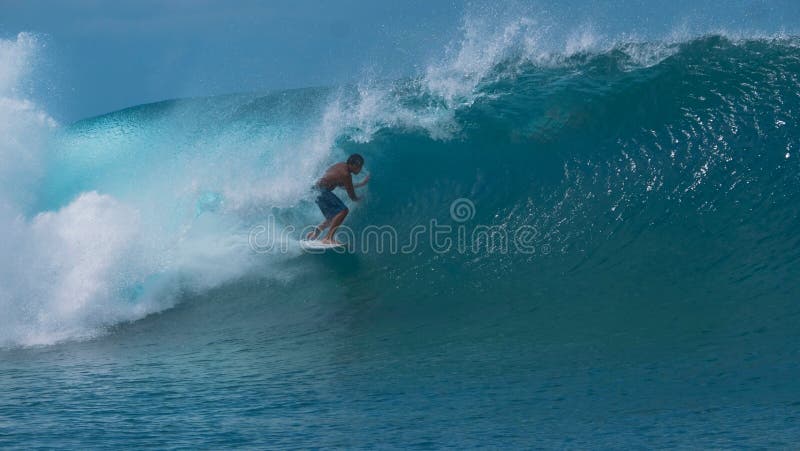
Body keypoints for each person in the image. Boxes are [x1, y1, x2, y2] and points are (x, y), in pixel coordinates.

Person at [306, 153, 370, 245]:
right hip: (320, 190)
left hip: (316, 190)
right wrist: (358, 199)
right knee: (343, 211)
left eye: (360, 167)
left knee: (334, 217)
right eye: (358, 167)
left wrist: (361, 184)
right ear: (352, 165)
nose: (359, 169)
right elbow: (351, 196)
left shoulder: (341, 166)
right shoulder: (346, 174)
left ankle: (315, 233)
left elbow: (344, 186)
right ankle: (328, 238)